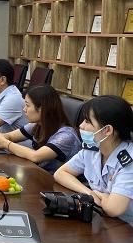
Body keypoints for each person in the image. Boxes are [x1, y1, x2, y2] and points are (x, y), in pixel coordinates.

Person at [54, 95, 133, 225]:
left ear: (107, 130)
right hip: (101, 219)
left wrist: (100, 197)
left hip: (125, 228)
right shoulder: (92, 149)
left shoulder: (129, 161)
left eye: (87, 121)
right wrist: (90, 193)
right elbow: (60, 173)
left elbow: (114, 209)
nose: (81, 125)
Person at [0, 85, 80, 173]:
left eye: (27, 105)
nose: (24, 109)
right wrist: (1, 137)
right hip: (39, 173)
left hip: (55, 181)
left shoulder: (66, 135)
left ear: (42, 109)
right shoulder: (37, 125)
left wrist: (5, 143)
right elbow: (10, 136)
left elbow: (35, 156)